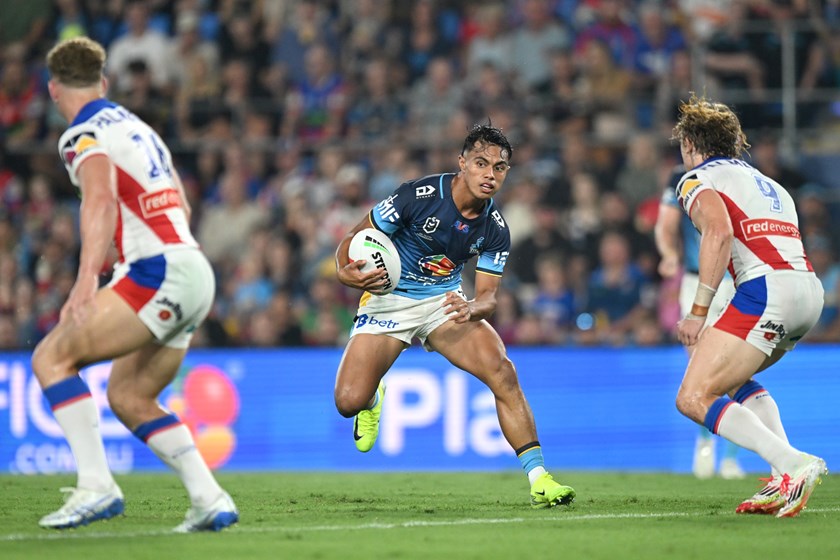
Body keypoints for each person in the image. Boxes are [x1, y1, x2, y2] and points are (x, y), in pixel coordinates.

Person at [33, 37, 238, 532]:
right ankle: (209, 498)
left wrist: (85, 281)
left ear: (54, 89)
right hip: (192, 269)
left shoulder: (80, 134)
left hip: (156, 270)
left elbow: (99, 200)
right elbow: (182, 208)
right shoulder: (138, 127)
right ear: (103, 83)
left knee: (50, 358)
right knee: (129, 396)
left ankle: (96, 486)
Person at [334, 124, 575, 508]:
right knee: (348, 401)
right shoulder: (418, 195)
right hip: (388, 298)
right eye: (481, 163)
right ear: (462, 163)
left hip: (442, 301)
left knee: (503, 373)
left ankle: (539, 478)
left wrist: (472, 307)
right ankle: (373, 398)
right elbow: (354, 237)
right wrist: (342, 270)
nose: (489, 174)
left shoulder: (496, 229)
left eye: (499, 167)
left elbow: (487, 298)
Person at [671, 94, 826, 518]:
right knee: (733, 379)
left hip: (766, 290)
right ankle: (782, 478)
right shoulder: (771, 184)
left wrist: (698, 312)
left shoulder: (696, 178)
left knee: (692, 396)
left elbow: (718, 233)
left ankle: (794, 464)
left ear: (689, 145)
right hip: (808, 291)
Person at [656, 165, 746, 480]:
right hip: (696, 280)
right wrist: (669, 254)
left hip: (736, 281)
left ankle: (732, 455)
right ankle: (706, 443)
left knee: (736, 367)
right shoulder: (679, 177)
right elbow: (665, 225)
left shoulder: (738, 174)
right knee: (700, 367)